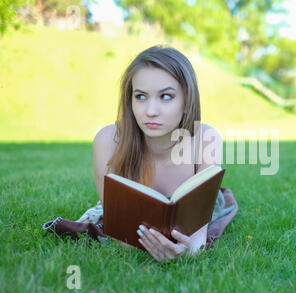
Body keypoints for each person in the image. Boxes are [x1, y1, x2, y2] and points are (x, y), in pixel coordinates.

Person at [43, 45, 238, 263]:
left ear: (187, 101)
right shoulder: (109, 141)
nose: (150, 111)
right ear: (130, 100)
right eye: (141, 96)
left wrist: (184, 252)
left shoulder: (207, 139)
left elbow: (197, 238)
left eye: (165, 96)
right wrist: (146, 246)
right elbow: (120, 232)